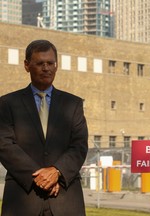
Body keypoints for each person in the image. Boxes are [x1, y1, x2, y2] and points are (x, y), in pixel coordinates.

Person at [0, 40, 88, 215]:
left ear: (56, 65)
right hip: (22, 199)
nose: (46, 68)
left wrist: (57, 171)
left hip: (65, 198)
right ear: (27, 65)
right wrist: (40, 177)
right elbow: (4, 145)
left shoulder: (73, 104)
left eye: (50, 63)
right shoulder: (7, 103)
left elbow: (79, 145)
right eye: (40, 63)